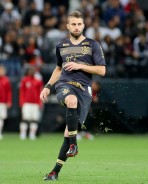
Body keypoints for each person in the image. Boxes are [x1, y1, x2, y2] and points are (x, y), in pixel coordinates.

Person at [40, 11, 106, 181]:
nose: (76, 27)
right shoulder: (61, 45)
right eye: (73, 24)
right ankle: (74, 144)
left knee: (69, 131)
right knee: (71, 100)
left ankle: (54, 172)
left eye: (79, 24)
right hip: (65, 86)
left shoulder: (93, 45)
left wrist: (79, 65)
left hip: (84, 90)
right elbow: (58, 69)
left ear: (83, 25)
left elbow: (102, 70)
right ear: (68, 26)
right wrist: (48, 86)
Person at [19, 66, 44, 140]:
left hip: (35, 103)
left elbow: (40, 92)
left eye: (33, 71)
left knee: (34, 119)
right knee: (25, 119)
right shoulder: (24, 80)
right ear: (28, 72)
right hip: (26, 103)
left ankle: (32, 134)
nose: (32, 72)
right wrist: (22, 102)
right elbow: (22, 92)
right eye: (31, 70)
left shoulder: (38, 81)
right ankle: (23, 134)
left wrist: (40, 102)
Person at [0, 65, 12, 140]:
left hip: (2, 102)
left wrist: (9, 101)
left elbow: (9, 92)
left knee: (1, 118)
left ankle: (0, 132)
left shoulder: (6, 80)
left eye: (2, 70)